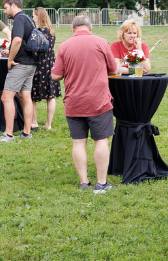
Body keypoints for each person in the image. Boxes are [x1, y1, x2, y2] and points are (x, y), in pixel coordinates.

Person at [51, 14, 119, 192]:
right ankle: (102, 183)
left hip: (74, 102)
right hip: (99, 101)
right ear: (90, 28)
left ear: (73, 29)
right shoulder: (101, 42)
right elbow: (113, 68)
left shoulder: (64, 46)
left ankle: (84, 181)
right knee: (101, 140)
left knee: (78, 142)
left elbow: (55, 75)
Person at [0, 0, 38, 142]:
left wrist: (10, 59)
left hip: (20, 65)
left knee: (6, 97)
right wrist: (11, 52)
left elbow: (18, 40)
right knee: (25, 97)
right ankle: (27, 133)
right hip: (31, 63)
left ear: (13, 5)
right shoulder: (28, 18)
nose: (5, 11)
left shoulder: (19, 19)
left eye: (6, 8)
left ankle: (8, 134)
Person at [30, 7, 61, 131]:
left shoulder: (38, 31)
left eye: (33, 16)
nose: (32, 18)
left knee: (32, 94)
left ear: (39, 16)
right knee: (50, 94)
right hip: (50, 63)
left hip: (39, 64)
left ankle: (34, 122)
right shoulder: (51, 30)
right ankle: (48, 123)